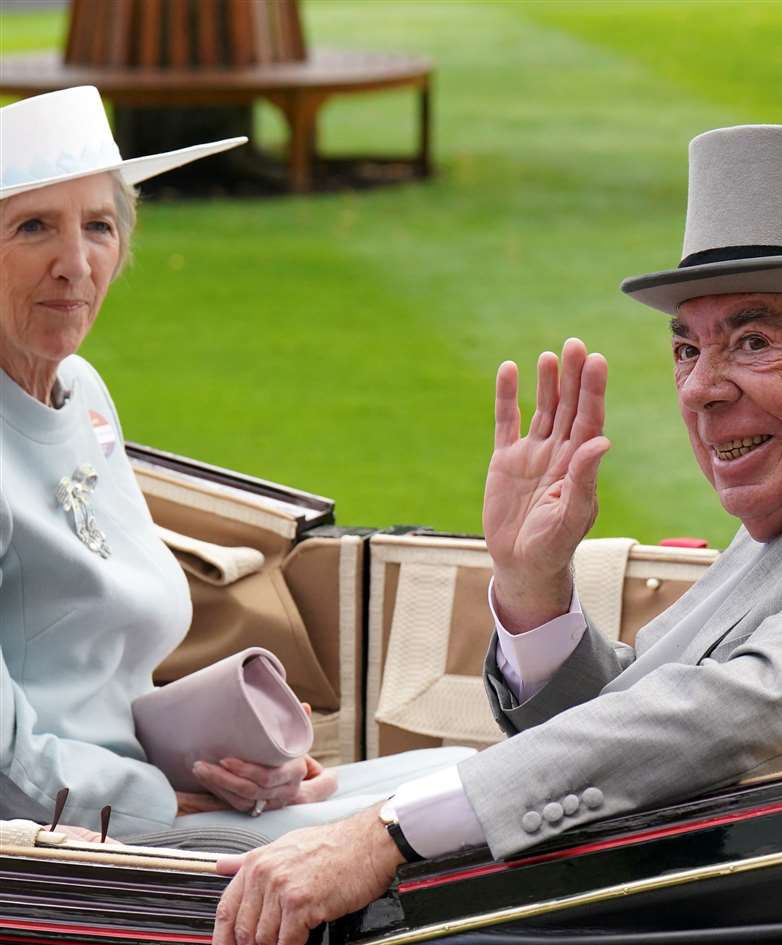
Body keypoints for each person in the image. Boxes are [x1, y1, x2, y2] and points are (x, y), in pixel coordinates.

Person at [210, 124, 782, 945]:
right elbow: (640, 719)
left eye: (752, 341)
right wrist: (532, 587)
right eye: (686, 348)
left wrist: (389, 833)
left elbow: (730, 715)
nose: (702, 387)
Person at [0, 86, 469, 846]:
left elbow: (108, 670)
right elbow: (9, 765)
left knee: (466, 777)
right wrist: (159, 800)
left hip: (150, 786)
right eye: (33, 228)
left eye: (99, 226)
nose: (76, 264)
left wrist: (249, 765)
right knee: (448, 830)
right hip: (73, 839)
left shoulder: (82, 392)